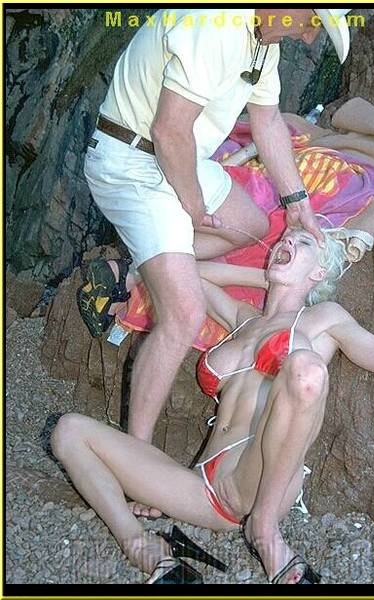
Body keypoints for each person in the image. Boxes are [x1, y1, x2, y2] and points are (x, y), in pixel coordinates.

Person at [54, 227, 374, 584]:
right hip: (203, 486)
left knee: (306, 371)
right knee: (68, 431)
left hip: (259, 480)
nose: (287, 242)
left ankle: (264, 527)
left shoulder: (323, 317)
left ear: (319, 272)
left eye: (302, 242)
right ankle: (145, 549)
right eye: (284, 239)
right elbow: (185, 273)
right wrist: (264, 276)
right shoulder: (240, 320)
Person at [79, 7, 352, 443]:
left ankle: (139, 269)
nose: (307, 38)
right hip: (132, 159)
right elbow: (169, 131)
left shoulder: (262, 41)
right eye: (312, 24)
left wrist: (297, 201)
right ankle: (134, 451)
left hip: (179, 158)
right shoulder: (216, 22)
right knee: (184, 315)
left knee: (250, 224)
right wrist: (191, 204)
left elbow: (266, 120)